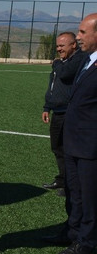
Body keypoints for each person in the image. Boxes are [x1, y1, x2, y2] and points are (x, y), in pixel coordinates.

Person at [57, 13, 97, 254]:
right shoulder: (87, 59)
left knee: (89, 195)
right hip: (73, 141)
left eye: (82, 32)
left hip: (90, 144)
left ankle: (87, 240)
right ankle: (72, 231)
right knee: (74, 192)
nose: (78, 36)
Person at [41, 32, 88, 197]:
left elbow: (65, 73)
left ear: (73, 44)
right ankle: (62, 179)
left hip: (69, 112)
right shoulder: (62, 62)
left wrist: (56, 64)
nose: (58, 49)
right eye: (57, 46)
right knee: (57, 147)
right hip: (57, 111)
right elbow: (53, 85)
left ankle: (71, 184)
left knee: (68, 149)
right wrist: (47, 107)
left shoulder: (78, 59)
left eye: (62, 46)